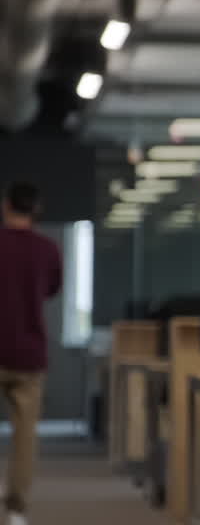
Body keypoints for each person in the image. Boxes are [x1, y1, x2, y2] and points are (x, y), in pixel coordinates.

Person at [0, 183, 63, 525]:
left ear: (6, 206)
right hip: (29, 353)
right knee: (25, 437)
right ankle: (15, 510)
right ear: (35, 210)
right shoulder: (48, 249)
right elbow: (52, 289)